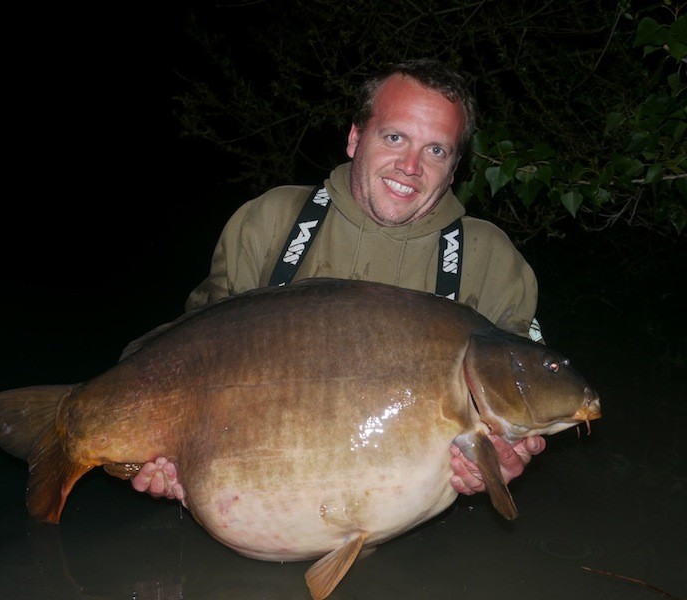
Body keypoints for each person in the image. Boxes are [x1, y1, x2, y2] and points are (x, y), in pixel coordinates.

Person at [130, 58, 546, 507]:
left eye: (436, 150)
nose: (411, 165)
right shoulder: (270, 221)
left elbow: (527, 390)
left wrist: (507, 457)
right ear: (355, 138)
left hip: (411, 528)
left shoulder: (492, 259)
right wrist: (162, 450)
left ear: (454, 168)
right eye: (394, 137)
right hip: (251, 494)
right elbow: (188, 353)